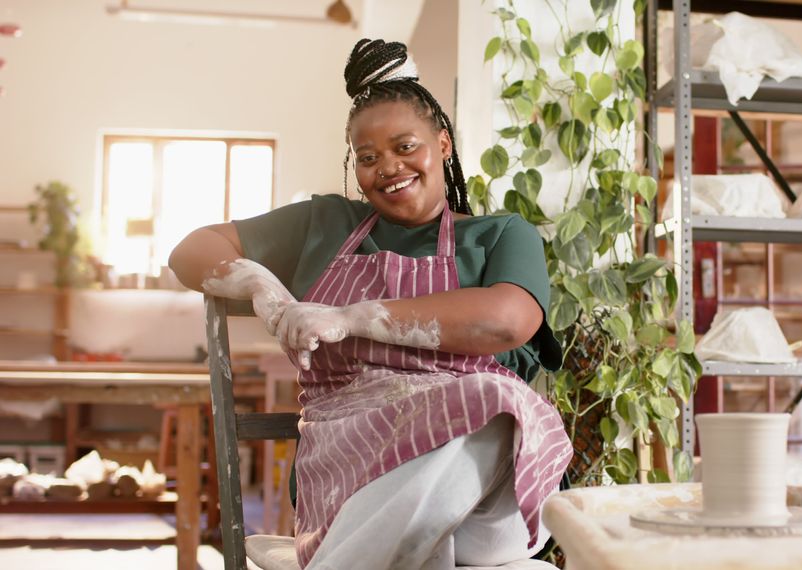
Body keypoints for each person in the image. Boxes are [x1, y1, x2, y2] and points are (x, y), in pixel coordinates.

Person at [170, 38, 572, 569]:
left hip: (486, 499)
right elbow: (190, 251)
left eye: (406, 146)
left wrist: (352, 317)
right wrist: (266, 293)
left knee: (498, 407)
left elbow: (507, 321)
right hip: (351, 475)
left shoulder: (499, 234)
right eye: (367, 158)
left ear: (443, 144)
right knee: (437, 555)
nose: (388, 167)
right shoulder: (325, 223)